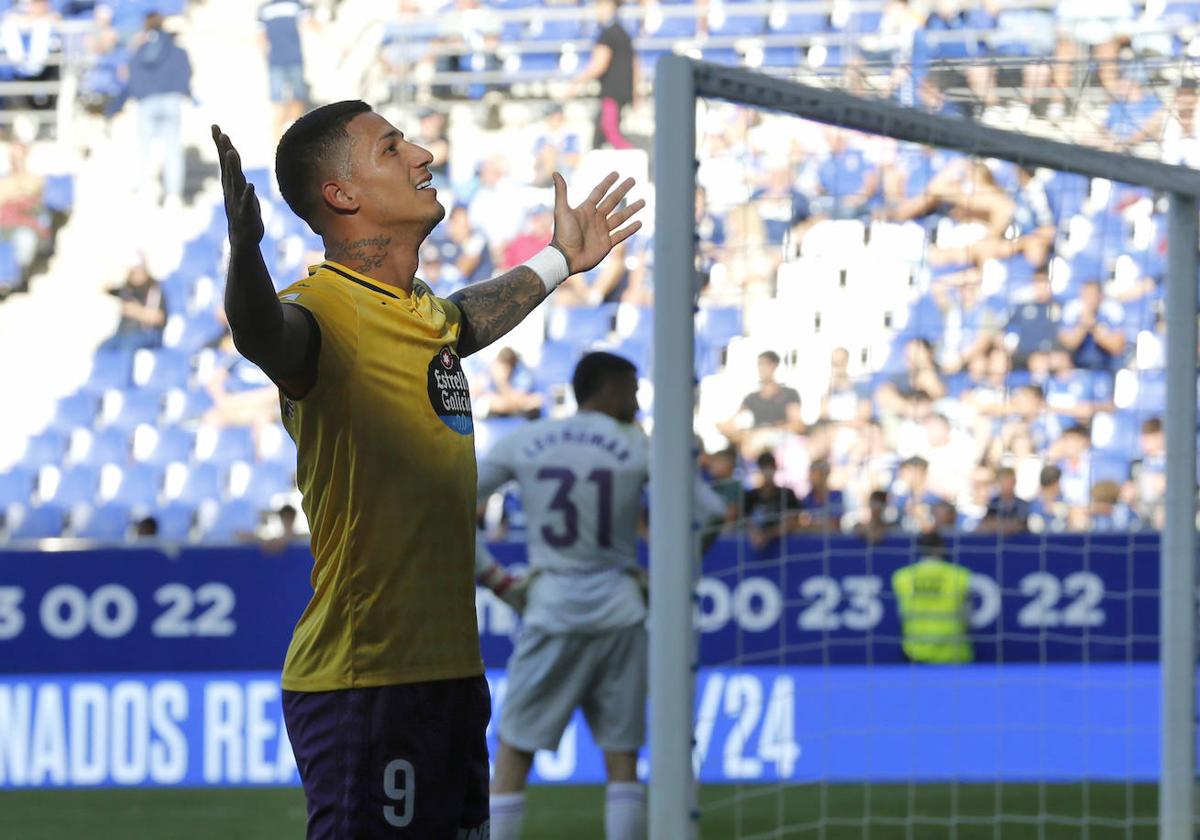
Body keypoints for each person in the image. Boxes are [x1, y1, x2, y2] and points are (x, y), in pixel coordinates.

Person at [212, 98, 643, 838]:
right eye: (391, 149)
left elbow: (464, 319)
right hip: (368, 682)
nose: (422, 155)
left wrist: (559, 260)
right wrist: (245, 251)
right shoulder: (319, 312)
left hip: (449, 675)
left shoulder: (417, 312)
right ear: (341, 196)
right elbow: (262, 333)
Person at [474, 352, 725, 840]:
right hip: (620, 611)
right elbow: (711, 511)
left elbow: (447, 504)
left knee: (514, 751)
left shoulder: (526, 441)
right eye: (631, 391)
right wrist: (672, 574)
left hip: (550, 611)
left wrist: (496, 579)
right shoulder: (638, 445)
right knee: (622, 756)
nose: (635, 402)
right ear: (609, 390)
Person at [125, 12, 192, 207]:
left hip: (146, 101)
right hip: (170, 99)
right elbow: (185, 70)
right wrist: (185, 91)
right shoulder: (175, 48)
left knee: (144, 148)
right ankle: (173, 195)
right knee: (173, 149)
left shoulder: (139, 50)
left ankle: (143, 189)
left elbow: (132, 75)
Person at [891, 532, 973, 664]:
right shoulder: (960, 575)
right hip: (953, 652)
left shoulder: (902, 576)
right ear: (941, 548)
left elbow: (901, 613)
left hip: (916, 650)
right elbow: (968, 615)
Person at [568, 0, 635, 150]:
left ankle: (635, 157)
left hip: (612, 91)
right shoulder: (623, 32)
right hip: (621, 91)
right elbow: (636, 64)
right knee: (601, 133)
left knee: (609, 130)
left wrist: (576, 83)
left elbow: (599, 64)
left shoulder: (608, 34)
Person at [717, 350, 803, 459]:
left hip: (779, 438)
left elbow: (797, 425)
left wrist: (766, 430)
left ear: (775, 366)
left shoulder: (789, 394)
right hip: (754, 438)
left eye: (765, 364)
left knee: (754, 441)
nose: (761, 368)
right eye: (760, 364)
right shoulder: (752, 397)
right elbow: (731, 422)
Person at [258, 0, 315, 141]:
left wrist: (265, 56)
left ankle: (278, 149)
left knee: (279, 105)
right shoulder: (295, 5)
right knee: (297, 102)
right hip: (294, 59)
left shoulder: (264, 10)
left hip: (275, 62)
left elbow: (260, 38)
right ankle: (295, 143)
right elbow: (311, 23)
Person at [100, 262, 166, 351]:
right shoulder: (127, 290)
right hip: (122, 333)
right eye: (132, 272)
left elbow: (159, 318)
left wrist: (137, 311)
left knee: (127, 347)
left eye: (139, 272)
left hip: (145, 334)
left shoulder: (154, 291)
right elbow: (106, 288)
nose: (136, 275)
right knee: (103, 349)